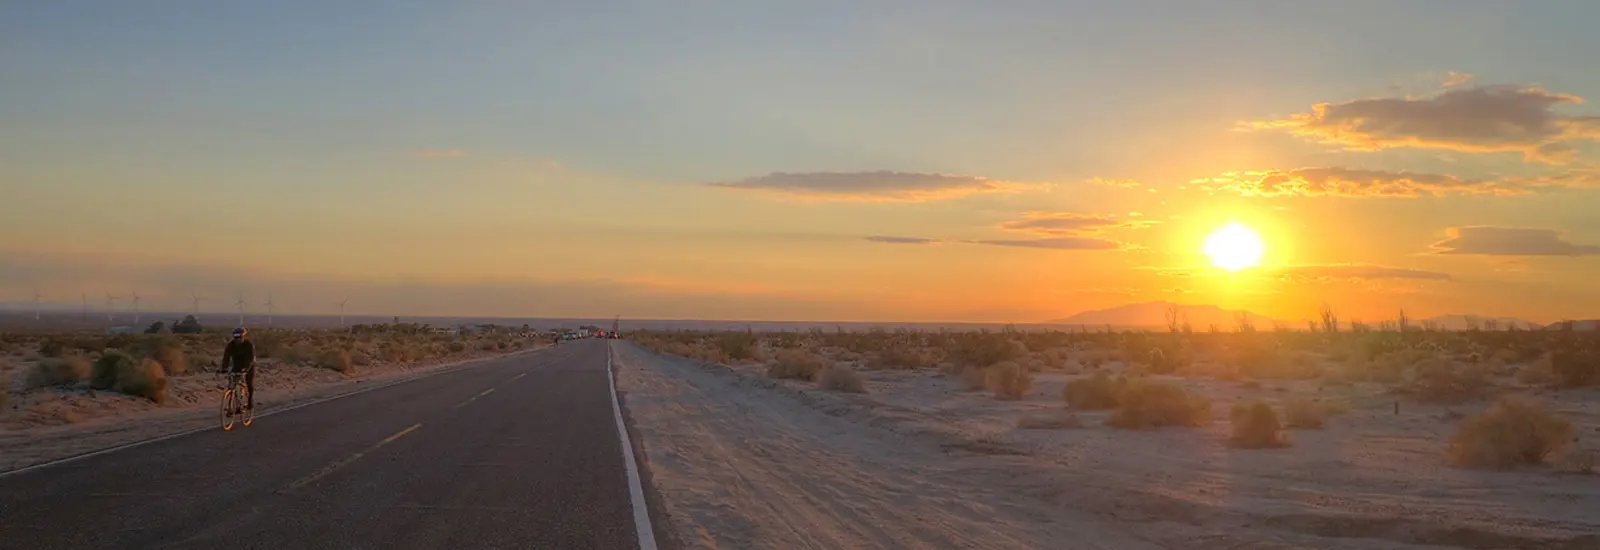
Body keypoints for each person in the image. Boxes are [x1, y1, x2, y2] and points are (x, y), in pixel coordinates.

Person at [221, 327, 257, 413]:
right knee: (232, 384)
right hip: (237, 365)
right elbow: (226, 357)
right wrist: (223, 368)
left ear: (243, 337)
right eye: (236, 338)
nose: (237, 340)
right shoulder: (230, 345)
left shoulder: (249, 345)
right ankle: (233, 405)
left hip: (249, 365)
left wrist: (245, 369)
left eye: (239, 338)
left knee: (249, 383)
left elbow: (250, 359)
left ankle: (249, 402)